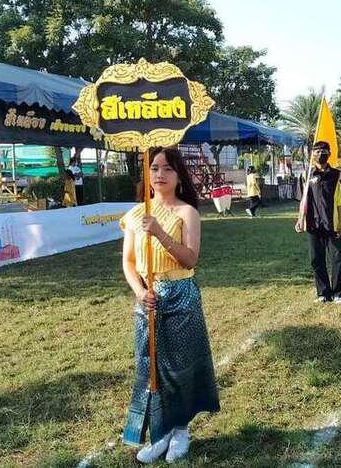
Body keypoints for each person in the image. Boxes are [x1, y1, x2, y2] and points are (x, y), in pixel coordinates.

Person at [119, 148, 220, 464]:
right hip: (148, 299)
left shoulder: (186, 213)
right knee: (149, 366)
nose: (159, 174)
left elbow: (190, 258)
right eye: (154, 168)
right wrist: (139, 291)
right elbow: (129, 263)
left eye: (167, 168)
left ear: (179, 176)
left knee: (180, 366)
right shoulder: (135, 215)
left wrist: (160, 232)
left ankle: (181, 429)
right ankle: (160, 432)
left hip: (181, 295)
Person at [295, 141, 341, 304]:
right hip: (313, 223)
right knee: (316, 259)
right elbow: (303, 200)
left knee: (336, 258)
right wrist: (300, 219)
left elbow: (340, 202)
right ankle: (323, 293)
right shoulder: (306, 175)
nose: (320, 154)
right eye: (317, 151)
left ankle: (339, 293)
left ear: (329, 153)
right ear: (312, 154)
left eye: (324, 151)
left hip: (332, 223)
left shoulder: (337, 175)